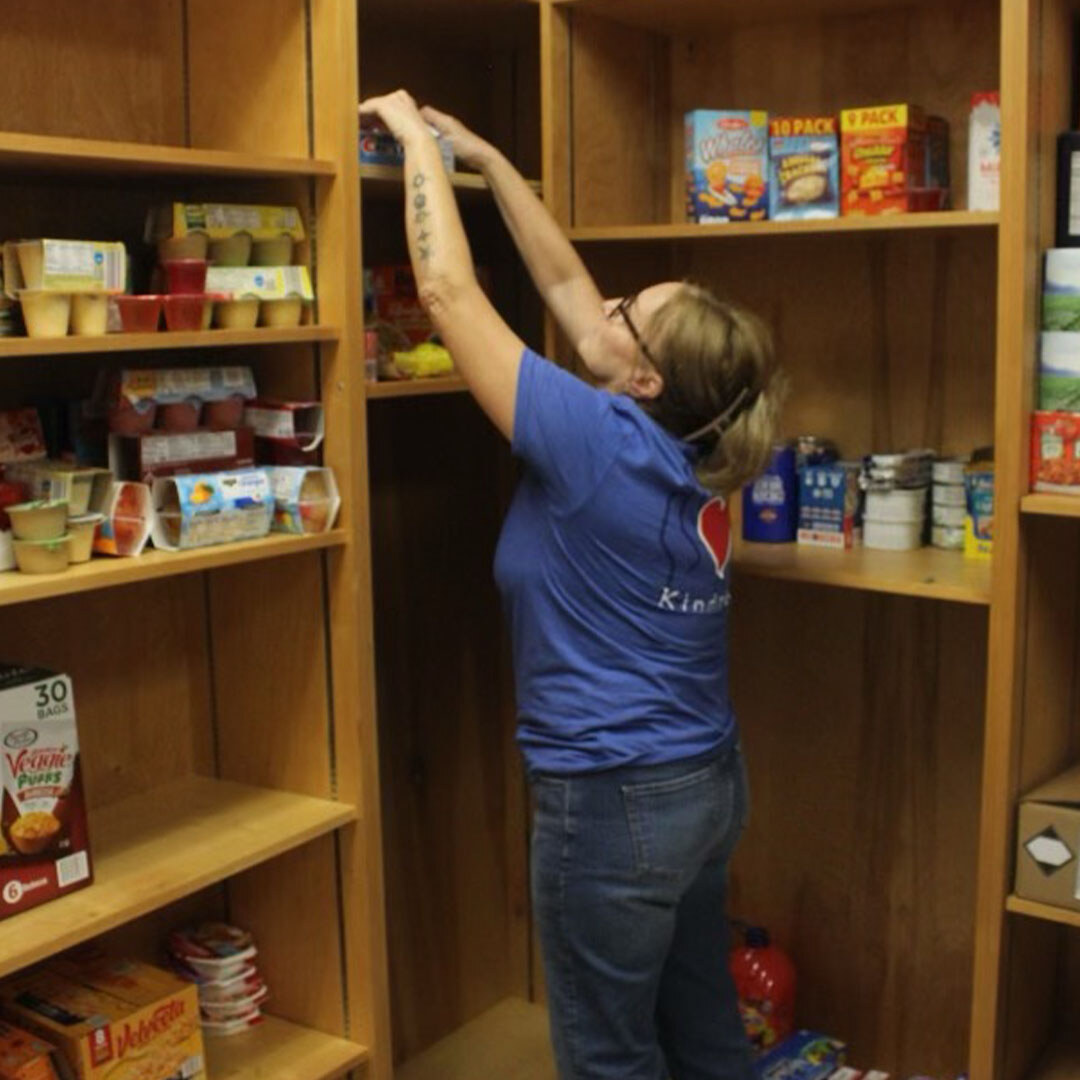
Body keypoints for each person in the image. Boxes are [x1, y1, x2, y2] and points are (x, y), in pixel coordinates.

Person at [358, 89, 783, 1080]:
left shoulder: (597, 443)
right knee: (702, 1024)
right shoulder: (693, 444)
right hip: (705, 784)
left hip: (615, 801)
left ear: (638, 377)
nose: (605, 304)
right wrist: (487, 155)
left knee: (606, 1053)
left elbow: (452, 298)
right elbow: (566, 285)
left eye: (629, 312)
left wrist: (415, 144)